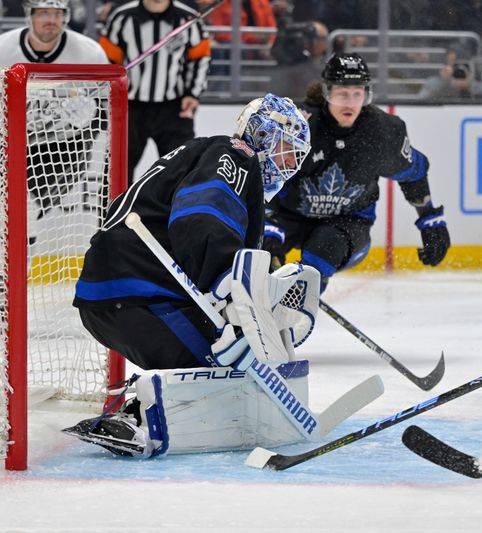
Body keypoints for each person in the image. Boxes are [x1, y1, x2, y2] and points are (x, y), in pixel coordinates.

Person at [66, 93, 320, 458]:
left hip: (117, 294)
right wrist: (230, 299)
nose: (291, 163)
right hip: (141, 293)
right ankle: (137, 418)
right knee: (237, 378)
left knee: (234, 364)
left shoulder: (208, 154)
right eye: (289, 150)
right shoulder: (236, 155)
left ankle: (138, 410)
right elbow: (201, 218)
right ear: (264, 136)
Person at [262, 53, 451, 292]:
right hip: (288, 216)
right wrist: (268, 227)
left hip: (348, 223)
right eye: (342, 94)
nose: (350, 103)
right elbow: (265, 177)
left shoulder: (382, 132)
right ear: (327, 92)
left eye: (357, 94)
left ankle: (295, 315)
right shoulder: (300, 126)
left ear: (366, 94)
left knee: (317, 259)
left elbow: (413, 173)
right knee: (254, 255)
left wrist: (430, 221)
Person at [0, 0, 109, 244]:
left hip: (64, 146)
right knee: (14, 209)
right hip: (11, 141)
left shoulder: (89, 53)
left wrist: (89, 113)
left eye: (57, 13)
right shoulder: (3, 49)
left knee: (31, 205)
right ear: (29, 16)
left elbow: (106, 107)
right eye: (44, 13)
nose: (51, 20)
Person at [99, 0, 212, 184]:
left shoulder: (188, 18)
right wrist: (110, 99)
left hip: (174, 108)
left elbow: (200, 58)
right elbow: (108, 61)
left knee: (183, 171)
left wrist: (193, 93)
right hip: (130, 109)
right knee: (116, 174)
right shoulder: (121, 18)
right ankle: (115, 212)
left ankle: (179, 213)